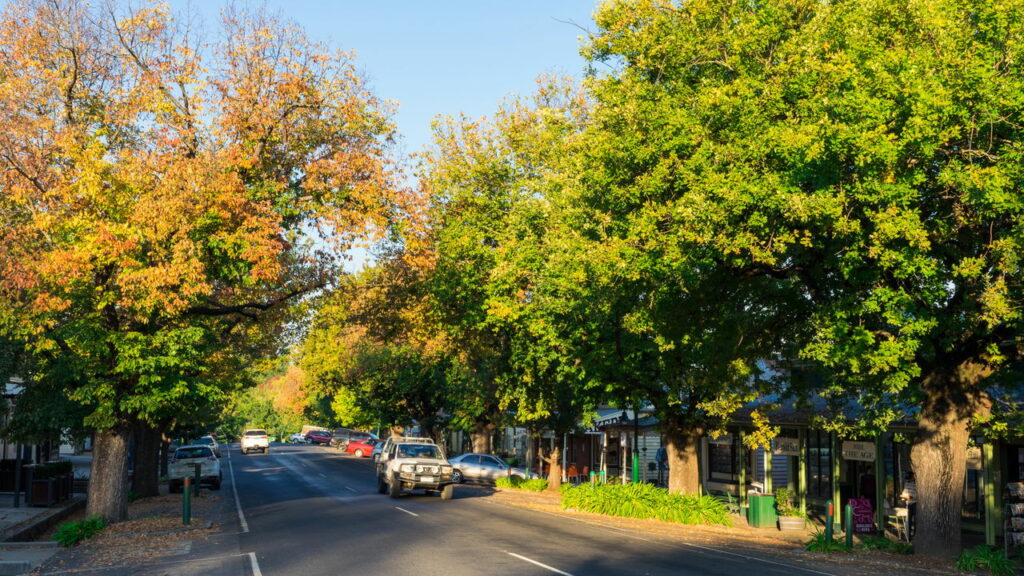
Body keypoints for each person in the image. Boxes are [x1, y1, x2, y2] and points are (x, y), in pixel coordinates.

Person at [900, 471, 917, 538]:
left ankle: (915, 534)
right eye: (907, 479)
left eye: (909, 478)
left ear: (913, 477)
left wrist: (911, 497)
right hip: (908, 503)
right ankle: (908, 535)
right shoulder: (906, 482)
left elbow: (918, 494)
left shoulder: (917, 484)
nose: (908, 480)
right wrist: (903, 496)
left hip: (915, 503)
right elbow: (905, 491)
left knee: (915, 520)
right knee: (908, 520)